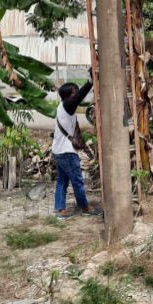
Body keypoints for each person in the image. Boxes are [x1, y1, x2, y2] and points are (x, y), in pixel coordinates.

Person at [52, 71, 103, 219]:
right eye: (74, 92)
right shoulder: (67, 106)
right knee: (77, 180)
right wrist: (90, 82)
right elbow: (79, 97)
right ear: (67, 96)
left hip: (59, 151)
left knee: (62, 181)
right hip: (66, 152)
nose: (77, 94)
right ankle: (85, 207)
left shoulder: (63, 108)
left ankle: (60, 209)